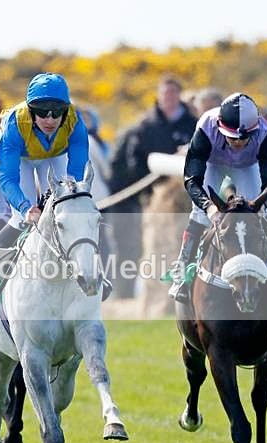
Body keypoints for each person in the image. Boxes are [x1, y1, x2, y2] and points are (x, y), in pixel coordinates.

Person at [0, 72, 90, 310]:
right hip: (22, 160)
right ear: (31, 110)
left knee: (70, 213)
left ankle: (95, 274)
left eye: (57, 111)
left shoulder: (75, 120)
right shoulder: (15, 124)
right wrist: (26, 207)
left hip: (55, 157)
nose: (50, 118)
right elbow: (7, 178)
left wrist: (69, 198)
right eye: (42, 111)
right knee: (19, 219)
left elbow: (78, 171)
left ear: (66, 109)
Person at [167, 92, 267, 302]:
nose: (237, 143)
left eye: (243, 138)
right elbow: (192, 180)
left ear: (254, 130)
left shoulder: (266, 134)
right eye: (231, 138)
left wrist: (261, 204)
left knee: (259, 214)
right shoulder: (205, 129)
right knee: (200, 214)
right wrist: (209, 206)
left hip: (247, 167)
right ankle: (182, 272)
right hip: (213, 164)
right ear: (221, 127)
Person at [108, 75, 197, 298]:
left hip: (187, 198)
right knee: (158, 246)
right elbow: (134, 161)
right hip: (155, 200)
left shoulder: (192, 124)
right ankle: (157, 296)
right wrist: (149, 191)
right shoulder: (146, 125)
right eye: (165, 93)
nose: (169, 97)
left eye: (173, 93)